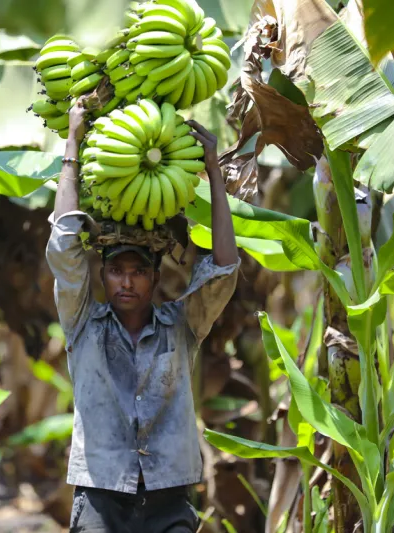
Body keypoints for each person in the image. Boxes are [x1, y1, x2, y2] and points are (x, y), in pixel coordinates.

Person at [46, 96, 240, 533]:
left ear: (154, 277)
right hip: (100, 490)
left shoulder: (181, 325)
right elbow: (63, 245)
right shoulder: (82, 323)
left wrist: (213, 171)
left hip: (169, 493)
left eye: (137, 272)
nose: (127, 283)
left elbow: (224, 270)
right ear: (104, 275)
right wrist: (73, 144)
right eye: (116, 271)